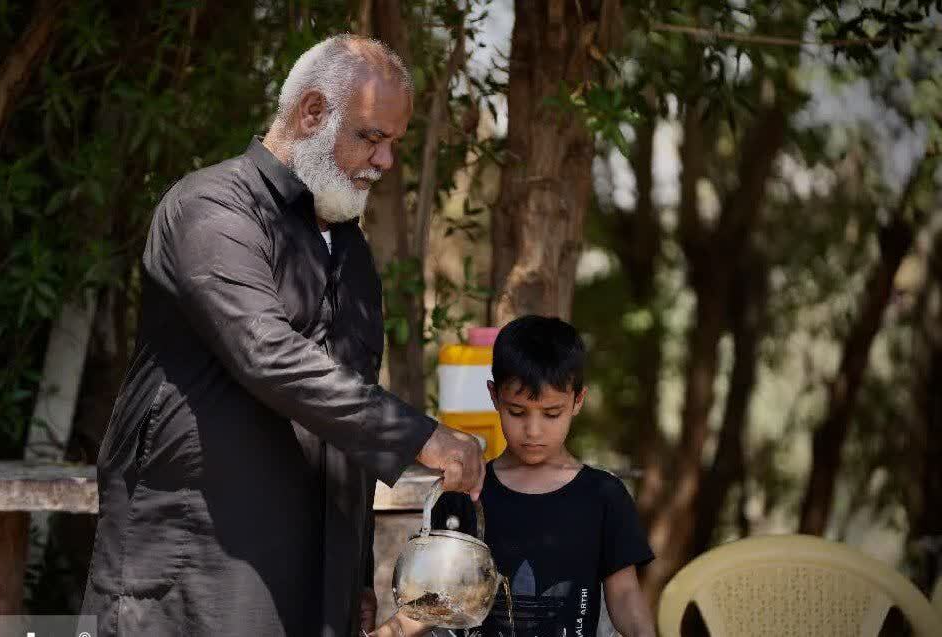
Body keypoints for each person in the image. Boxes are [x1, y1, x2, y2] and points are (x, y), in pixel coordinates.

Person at [80, 34, 485, 637]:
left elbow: (345, 416)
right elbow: (266, 352)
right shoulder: (212, 207)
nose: (385, 162)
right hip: (200, 569)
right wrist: (420, 436)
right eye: (371, 137)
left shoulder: (351, 251)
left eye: (394, 144)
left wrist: (355, 578)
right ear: (312, 113)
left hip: (315, 581)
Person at [431, 316, 655, 637]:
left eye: (551, 413)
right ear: (494, 396)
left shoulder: (604, 495)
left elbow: (625, 594)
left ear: (578, 401)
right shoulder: (469, 494)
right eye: (517, 411)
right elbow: (436, 595)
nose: (533, 431)